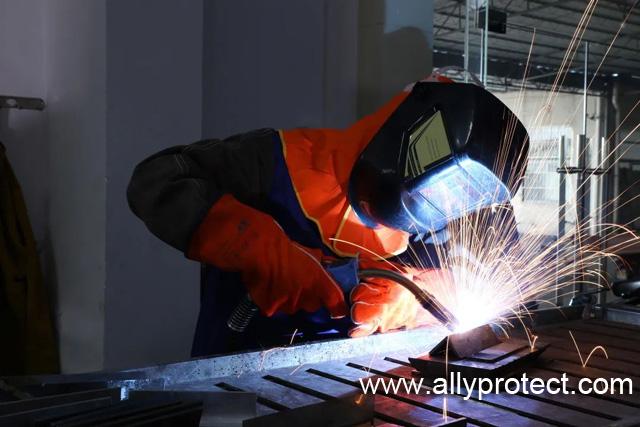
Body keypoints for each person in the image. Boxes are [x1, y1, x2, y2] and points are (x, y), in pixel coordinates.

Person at [127, 76, 529, 355]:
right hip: (237, 374)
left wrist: (417, 301)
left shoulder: (444, 217)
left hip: (359, 388)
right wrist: (254, 245)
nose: (435, 198)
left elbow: (484, 286)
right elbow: (154, 180)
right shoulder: (274, 160)